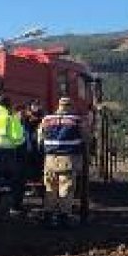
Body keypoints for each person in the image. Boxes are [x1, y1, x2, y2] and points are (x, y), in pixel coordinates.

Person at [38, 96, 85, 227]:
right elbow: (85, 137)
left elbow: (39, 138)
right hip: (68, 158)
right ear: (69, 106)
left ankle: (48, 215)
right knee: (66, 187)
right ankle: (64, 216)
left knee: (50, 187)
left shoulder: (46, 119)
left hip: (50, 158)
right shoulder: (75, 120)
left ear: (58, 105)